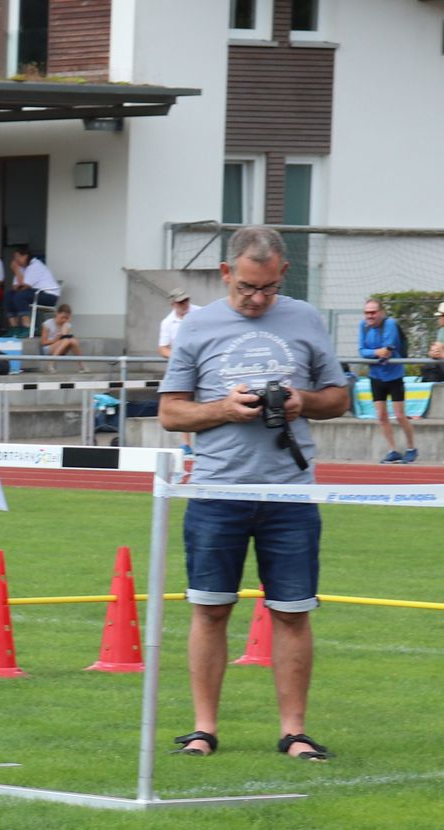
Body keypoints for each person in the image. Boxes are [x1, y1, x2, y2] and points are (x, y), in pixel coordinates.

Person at [159, 225, 351, 762]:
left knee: (292, 611)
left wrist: (300, 401)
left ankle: (295, 732)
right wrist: (223, 408)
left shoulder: (306, 319)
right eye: (246, 287)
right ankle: (203, 730)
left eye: (266, 288)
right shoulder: (195, 326)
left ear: (282, 275)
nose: (257, 298)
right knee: (210, 609)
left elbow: (338, 400)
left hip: (289, 491)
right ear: (226, 273)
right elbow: (171, 412)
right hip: (218, 488)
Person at [359, 300, 417, 464]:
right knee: (381, 416)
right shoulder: (363, 326)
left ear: (381, 313)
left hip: (394, 375)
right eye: (367, 312)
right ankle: (393, 450)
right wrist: (376, 352)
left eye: (373, 312)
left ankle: (411, 448)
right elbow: (362, 351)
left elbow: (388, 349)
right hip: (376, 376)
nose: (370, 316)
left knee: (399, 415)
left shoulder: (390, 323)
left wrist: (376, 352)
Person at [5, 245, 60, 336]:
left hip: (49, 295)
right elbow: (15, 287)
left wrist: (16, 270)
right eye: (15, 257)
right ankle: (14, 328)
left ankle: (27, 327)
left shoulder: (35, 265)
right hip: (35, 293)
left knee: (20, 295)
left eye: (18, 257)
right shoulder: (22, 268)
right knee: (9, 295)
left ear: (25, 256)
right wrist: (18, 271)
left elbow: (24, 286)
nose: (15, 260)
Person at [157, 288, 192, 359]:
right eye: (181, 302)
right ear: (172, 304)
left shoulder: (200, 312)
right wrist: (180, 357)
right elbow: (163, 349)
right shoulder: (167, 322)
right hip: (182, 363)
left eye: (186, 300)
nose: (185, 304)